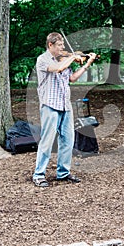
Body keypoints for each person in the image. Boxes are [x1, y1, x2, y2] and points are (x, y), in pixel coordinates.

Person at [33, 32, 96, 187]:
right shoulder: (43, 59)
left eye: (63, 45)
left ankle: (63, 173)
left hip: (65, 105)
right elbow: (58, 68)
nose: (62, 48)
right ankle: (38, 174)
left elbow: (72, 78)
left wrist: (87, 64)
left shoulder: (64, 59)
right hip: (50, 105)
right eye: (59, 46)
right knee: (47, 141)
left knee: (68, 140)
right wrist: (72, 57)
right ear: (50, 45)